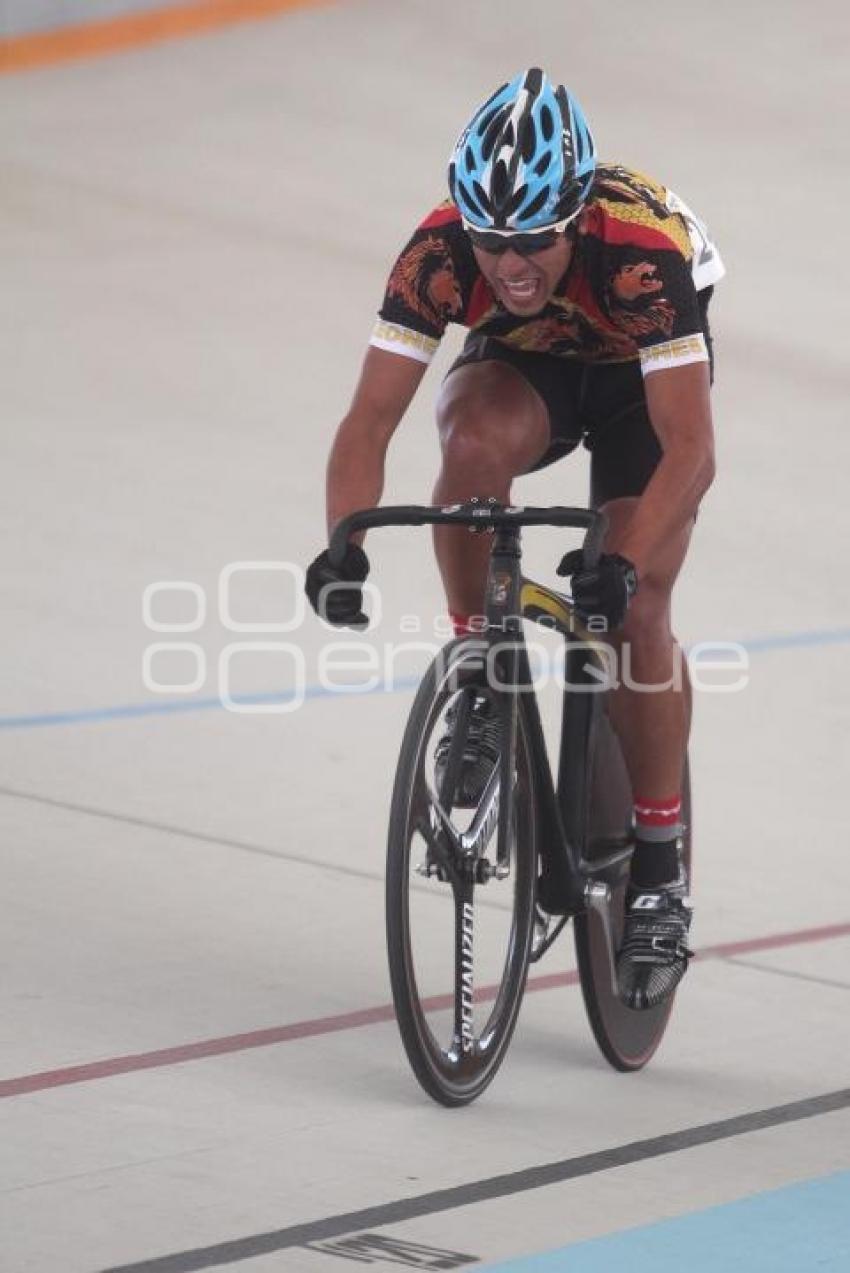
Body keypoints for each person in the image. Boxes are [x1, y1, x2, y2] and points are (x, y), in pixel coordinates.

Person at [306, 68, 724, 1010]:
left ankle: (659, 869)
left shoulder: (640, 255)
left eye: (534, 240)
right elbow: (370, 421)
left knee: (639, 606)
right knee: (467, 445)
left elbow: (692, 454)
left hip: (638, 390)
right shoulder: (440, 251)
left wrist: (620, 562)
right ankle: (480, 668)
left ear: (575, 218)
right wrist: (344, 543)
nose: (511, 265)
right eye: (493, 243)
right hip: (527, 370)